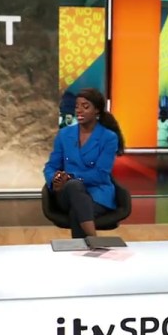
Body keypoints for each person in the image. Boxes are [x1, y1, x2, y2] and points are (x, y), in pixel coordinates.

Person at [43, 88, 124, 238]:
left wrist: (71, 177)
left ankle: (83, 253)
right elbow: (51, 166)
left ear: (97, 111)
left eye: (85, 106)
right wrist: (55, 179)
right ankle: (94, 241)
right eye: (77, 106)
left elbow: (101, 174)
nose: (79, 110)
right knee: (74, 187)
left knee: (77, 210)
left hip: (97, 194)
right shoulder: (64, 134)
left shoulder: (108, 137)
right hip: (66, 193)